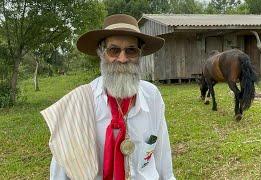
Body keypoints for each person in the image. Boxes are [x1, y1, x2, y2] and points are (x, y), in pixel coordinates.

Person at [40, 14, 176, 180]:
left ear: (140, 54)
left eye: (131, 50)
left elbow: (162, 156)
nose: (122, 58)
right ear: (101, 53)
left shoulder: (152, 96)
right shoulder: (79, 103)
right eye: (114, 50)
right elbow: (61, 172)